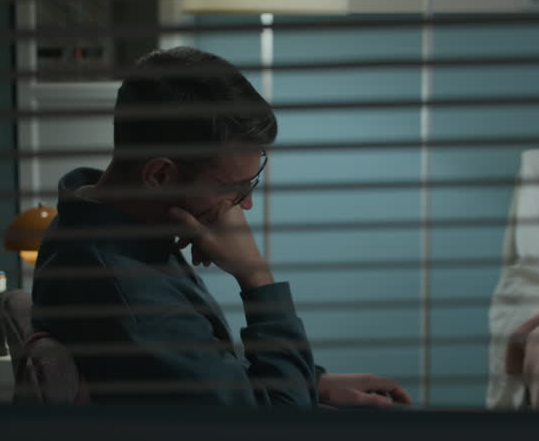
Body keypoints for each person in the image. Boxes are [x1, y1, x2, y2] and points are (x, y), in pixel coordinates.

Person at [32, 47, 412, 407]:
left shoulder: (103, 223)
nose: (244, 205)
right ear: (160, 175)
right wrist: (256, 276)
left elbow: (199, 375)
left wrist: (311, 383)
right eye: (232, 188)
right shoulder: (129, 295)